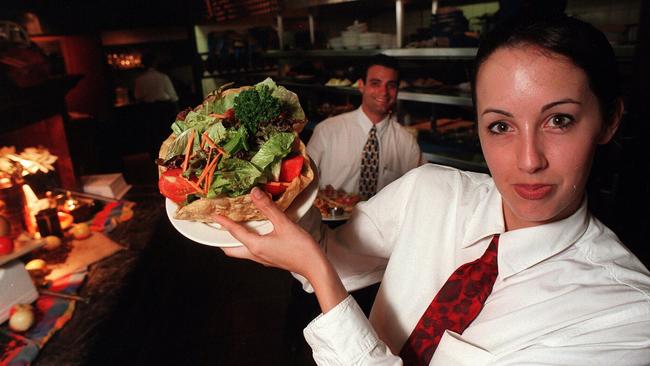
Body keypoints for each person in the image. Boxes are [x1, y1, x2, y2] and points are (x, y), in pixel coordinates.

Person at [215, 14, 650, 365]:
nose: (528, 160)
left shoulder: (626, 317)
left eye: (559, 120)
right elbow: (335, 260)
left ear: (609, 120)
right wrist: (276, 192)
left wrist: (321, 277)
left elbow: (324, 274)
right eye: (500, 126)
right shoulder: (433, 192)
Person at [307, 54, 422, 199]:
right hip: (330, 218)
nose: (384, 92)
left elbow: (415, 193)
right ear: (361, 85)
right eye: (375, 83)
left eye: (391, 85)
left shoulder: (407, 143)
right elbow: (304, 182)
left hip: (384, 220)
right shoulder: (327, 130)